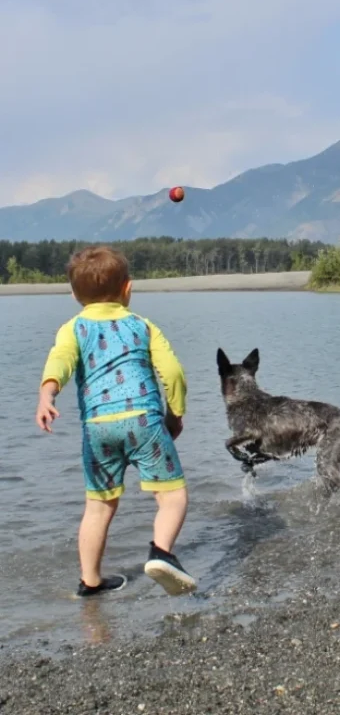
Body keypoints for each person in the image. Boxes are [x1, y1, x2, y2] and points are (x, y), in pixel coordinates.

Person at [35, 245, 196, 598]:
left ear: (75, 295)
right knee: (172, 496)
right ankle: (161, 553)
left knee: (98, 506)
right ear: (127, 288)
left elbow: (59, 362)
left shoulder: (72, 329)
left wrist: (47, 395)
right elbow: (173, 372)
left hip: (98, 429)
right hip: (144, 423)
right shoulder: (142, 325)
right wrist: (176, 413)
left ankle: (90, 582)